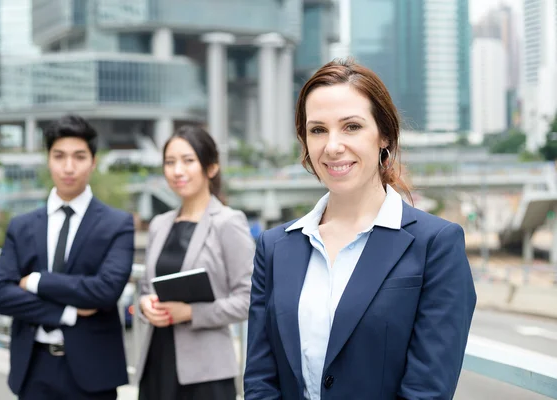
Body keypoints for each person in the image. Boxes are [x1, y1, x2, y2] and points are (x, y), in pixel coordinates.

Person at [244, 59, 477, 400]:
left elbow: (427, 390)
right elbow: (261, 380)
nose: (333, 146)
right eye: (317, 130)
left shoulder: (436, 245)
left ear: (384, 134)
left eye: (351, 126)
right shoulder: (275, 246)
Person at [0, 115, 135, 399]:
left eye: (79, 157)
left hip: (93, 373)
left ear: (93, 162)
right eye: (60, 156)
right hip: (33, 368)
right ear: (48, 160)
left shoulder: (117, 224)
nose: (69, 167)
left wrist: (37, 282)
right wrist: (67, 312)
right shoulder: (22, 225)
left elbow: (105, 291)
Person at [136, 125, 255, 400]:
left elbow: (249, 298)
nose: (178, 171)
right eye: (170, 162)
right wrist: (145, 305)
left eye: (188, 161)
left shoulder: (228, 222)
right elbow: (146, 288)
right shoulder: (159, 225)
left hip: (206, 375)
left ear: (210, 167)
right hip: (156, 363)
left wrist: (190, 313)